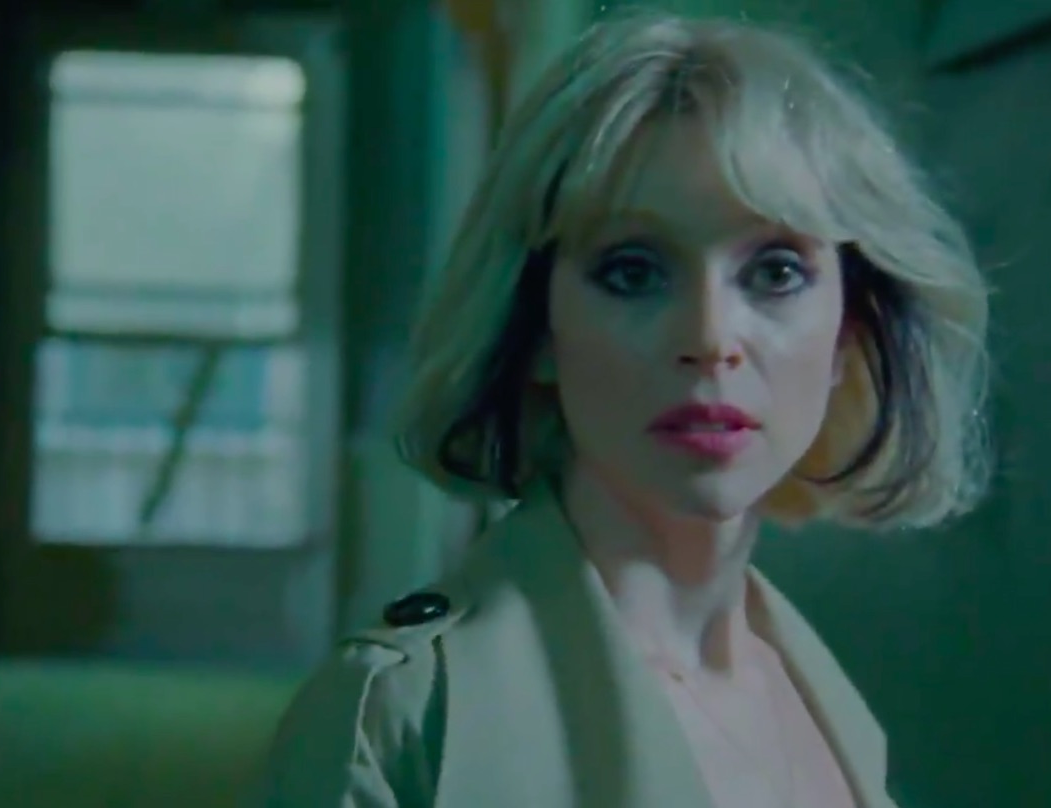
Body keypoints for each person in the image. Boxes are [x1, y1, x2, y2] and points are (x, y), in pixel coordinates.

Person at [250, 9, 990, 808]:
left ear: (850, 330)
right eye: (634, 272)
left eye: (775, 272)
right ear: (535, 325)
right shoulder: (397, 717)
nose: (710, 338)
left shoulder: (820, 700)